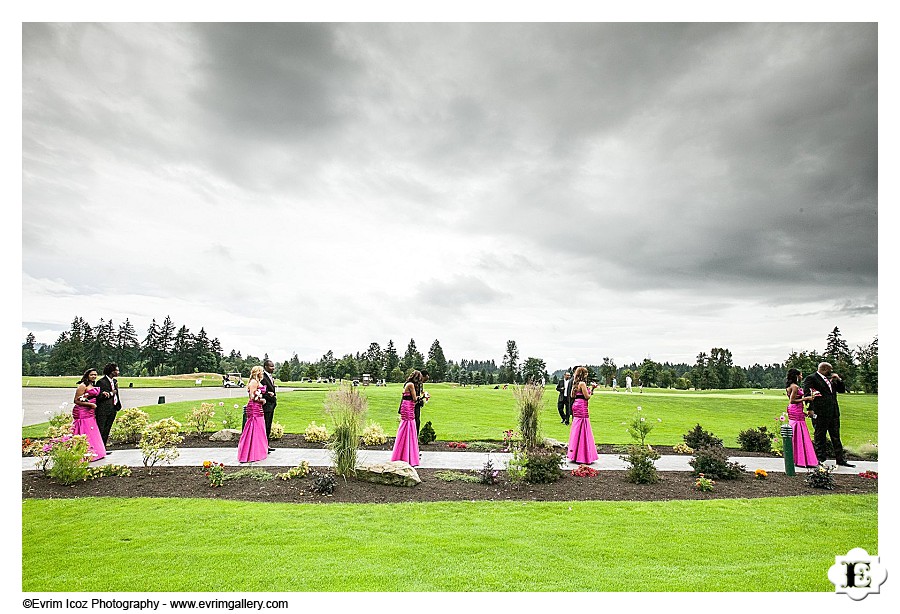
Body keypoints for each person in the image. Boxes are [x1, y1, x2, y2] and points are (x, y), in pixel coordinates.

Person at [803, 362, 853, 467]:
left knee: (836, 436)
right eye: (830, 369)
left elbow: (842, 390)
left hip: (833, 412)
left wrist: (838, 380)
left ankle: (840, 459)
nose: (831, 371)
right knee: (820, 436)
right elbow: (808, 394)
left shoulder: (831, 380)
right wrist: (811, 409)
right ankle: (820, 459)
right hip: (820, 412)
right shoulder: (811, 378)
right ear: (825, 369)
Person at [784, 368, 818, 468]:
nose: (801, 377)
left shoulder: (791, 386)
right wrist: (806, 398)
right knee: (798, 431)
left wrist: (802, 412)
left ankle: (800, 457)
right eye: (800, 375)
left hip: (796, 410)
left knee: (798, 430)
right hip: (795, 409)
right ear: (796, 376)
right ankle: (802, 458)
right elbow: (792, 400)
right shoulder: (794, 387)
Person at [71, 368, 106, 461]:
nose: (94, 376)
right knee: (84, 428)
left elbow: (93, 395)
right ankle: (82, 451)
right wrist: (89, 404)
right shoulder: (82, 386)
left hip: (90, 411)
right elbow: (76, 400)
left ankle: (95, 451)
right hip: (82, 411)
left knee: (91, 429)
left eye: (95, 374)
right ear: (87, 375)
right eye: (92, 375)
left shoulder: (92, 385)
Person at [567, 366, 599, 464]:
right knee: (583, 428)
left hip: (576, 405)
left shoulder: (575, 383)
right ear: (583, 374)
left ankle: (574, 453)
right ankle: (583, 455)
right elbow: (587, 396)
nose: (587, 375)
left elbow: (572, 395)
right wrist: (592, 389)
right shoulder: (582, 384)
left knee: (577, 427)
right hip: (582, 406)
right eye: (586, 373)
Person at [237, 366, 268, 463]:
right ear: (258, 372)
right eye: (261, 372)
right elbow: (252, 396)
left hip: (258, 406)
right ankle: (249, 453)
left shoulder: (257, 381)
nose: (262, 373)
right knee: (253, 427)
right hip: (254, 407)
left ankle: (258, 451)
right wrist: (261, 400)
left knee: (259, 427)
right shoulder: (254, 382)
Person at [391, 370, 422, 466]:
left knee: (408, 427)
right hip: (408, 407)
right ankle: (406, 455)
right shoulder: (411, 385)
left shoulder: (408, 384)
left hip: (408, 406)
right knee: (408, 426)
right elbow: (414, 398)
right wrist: (423, 396)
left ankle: (407, 453)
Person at [95, 362, 121, 447]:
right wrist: (110, 393)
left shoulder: (114, 381)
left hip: (113, 408)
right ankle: (99, 447)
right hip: (103, 410)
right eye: (117, 370)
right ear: (112, 371)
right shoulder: (101, 382)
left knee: (107, 429)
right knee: (101, 429)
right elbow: (99, 397)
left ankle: (104, 447)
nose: (118, 372)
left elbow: (116, 394)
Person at [262, 359, 278, 452]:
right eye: (271, 366)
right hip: (266, 406)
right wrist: (270, 395)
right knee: (265, 426)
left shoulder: (270, 377)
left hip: (271, 405)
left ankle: (266, 445)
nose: (273, 368)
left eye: (273, 366)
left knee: (268, 426)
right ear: (266, 367)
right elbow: (261, 391)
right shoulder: (263, 377)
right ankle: (264, 446)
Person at [414, 368, 430, 434]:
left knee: (417, 421)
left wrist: (424, 394)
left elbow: (421, 392)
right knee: (414, 421)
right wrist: (422, 397)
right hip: (412, 404)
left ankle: (415, 438)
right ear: (421, 376)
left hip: (417, 404)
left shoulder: (421, 384)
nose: (424, 382)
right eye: (425, 380)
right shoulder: (414, 384)